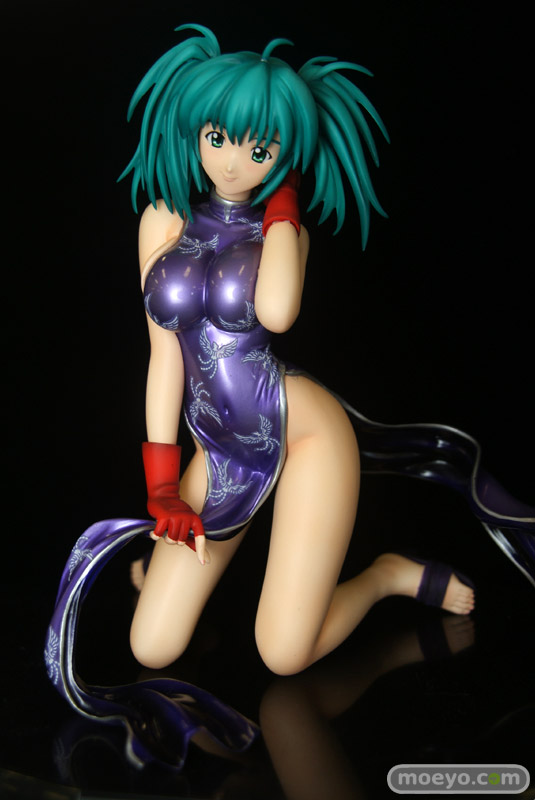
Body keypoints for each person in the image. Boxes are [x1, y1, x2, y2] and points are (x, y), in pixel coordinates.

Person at [121, 24, 480, 677]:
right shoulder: (161, 218)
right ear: (195, 129)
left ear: (285, 153)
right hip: (218, 447)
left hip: (301, 431)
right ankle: (164, 572)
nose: (233, 163)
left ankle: (383, 576)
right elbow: (164, 357)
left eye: (259, 149)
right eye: (218, 138)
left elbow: (277, 313)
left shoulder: (283, 231)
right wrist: (162, 486)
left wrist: (282, 207)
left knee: (285, 654)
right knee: (151, 647)